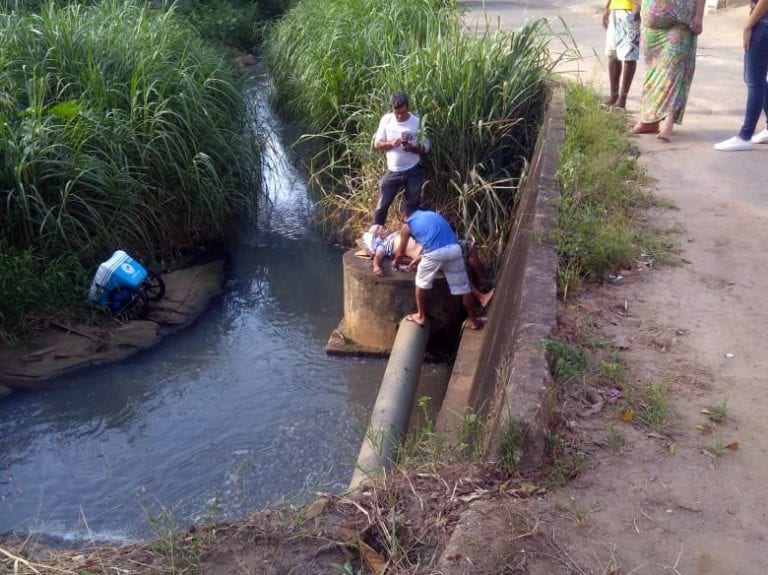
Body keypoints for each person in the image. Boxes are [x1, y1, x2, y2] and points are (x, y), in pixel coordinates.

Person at [393, 206, 485, 330]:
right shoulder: (431, 215)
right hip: (454, 249)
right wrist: (421, 257)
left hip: (434, 253)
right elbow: (435, 238)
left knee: (421, 284)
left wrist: (396, 263)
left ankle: (420, 315)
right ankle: (474, 321)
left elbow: (400, 253)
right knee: (464, 289)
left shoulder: (407, 226)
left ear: (404, 215)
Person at [361, 224, 494, 308]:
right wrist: (376, 266)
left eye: (381, 226)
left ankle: (482, 282)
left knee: (468, 247)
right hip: (425, 253)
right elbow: (378, 256)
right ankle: (481, 297)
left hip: (434, 245)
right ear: (378, 237)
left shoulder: (397, 232)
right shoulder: (384, 244)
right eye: (379, 228)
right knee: (456, 270)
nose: (382, 227)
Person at [631, 0, 706, 142]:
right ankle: (649, 120)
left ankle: (668, 122)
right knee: (652, 72)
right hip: (651, 26)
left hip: (680, 23)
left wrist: (699, 16)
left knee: (673, 72)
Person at [713, 0, 768, 151]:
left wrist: (747, 26)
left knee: (755, 81)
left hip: (763, 20)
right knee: (758, 81)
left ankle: (745, 136)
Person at [373, 91, 430, 226]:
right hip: (393, 171)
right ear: (391, 108)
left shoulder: (417, 121)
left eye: (402, 112)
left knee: (414, 207)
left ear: (407, 108)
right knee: (381, 206)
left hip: (413, 171)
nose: (399, 116)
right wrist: (391, 143)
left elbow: (427, 147)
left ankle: (412, 236)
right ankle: (376, 234)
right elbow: (377, 144)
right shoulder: (386, 119)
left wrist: (412, 148)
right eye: (396, 112)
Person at [603, 0, 641, 109]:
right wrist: (607, 7)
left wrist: (639, 5)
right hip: (614, 9)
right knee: (612, 55)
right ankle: (613, 97)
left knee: (629, 56)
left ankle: (622, 101)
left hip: (629, 10)